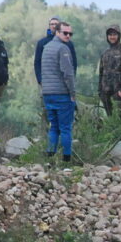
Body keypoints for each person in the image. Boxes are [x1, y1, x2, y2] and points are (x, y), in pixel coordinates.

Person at [40, 21, 76, 162]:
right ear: (57, 32)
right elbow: (68, 74)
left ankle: (50, 159)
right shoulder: (63, 49)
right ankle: (66, 160)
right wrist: (72, 93)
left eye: (70, 33)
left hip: (47, 93)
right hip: (62, 93)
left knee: (54, 127)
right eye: (65, 33)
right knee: (66, 128)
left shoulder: (46, 47)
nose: (68, 36)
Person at [98, 25, 121, 117]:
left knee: (119, 119)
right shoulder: (105, 53)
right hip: (105, 93)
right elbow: (101, 73)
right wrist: (100, 91)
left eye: (114, 34)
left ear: (119, 36)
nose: (112, 37)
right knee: (110, 119)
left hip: (119, 93)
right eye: (110, 35)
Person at [34, 15, 77, 85]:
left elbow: (73, 63)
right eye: (52, 24)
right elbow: (37, 63)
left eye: (56, 24)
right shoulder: (42, 43)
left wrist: (72, 79)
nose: (54, 26)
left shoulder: (68, 43)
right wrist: (40, 80)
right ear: (49, 26)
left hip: (64, 81)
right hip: (46, 81)